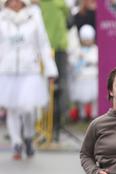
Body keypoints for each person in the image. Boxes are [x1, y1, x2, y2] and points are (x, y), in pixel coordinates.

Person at [0, 0, 58, 160]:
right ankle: (16, 143)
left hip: (30, 69)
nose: (14, 3)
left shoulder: (34, 17)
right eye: (10, 1)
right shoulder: (1, 18)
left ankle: (28, 135)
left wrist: (50, 69)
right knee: (11, 108)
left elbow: (43, 44)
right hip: (7, 70)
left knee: (28, 108)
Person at [39, 0, 68, 142]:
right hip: (54, 49)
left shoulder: (37, 5)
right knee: (57, 89)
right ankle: (54, 128)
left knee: (51, 89)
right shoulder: (61, 3)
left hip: (49, 50)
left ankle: (49, 128)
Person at [68, 24, 98, 121]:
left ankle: (94, 114)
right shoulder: (78, 50)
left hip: (92, 76)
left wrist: (86, 59)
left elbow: (96, 60)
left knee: (94, 98)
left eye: (89, 39)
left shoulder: (95, 49)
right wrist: (78, 58)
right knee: (81, 98)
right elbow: (72, 61)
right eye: (85, 39)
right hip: (81, 77)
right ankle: (82, 114)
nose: (87, 41)